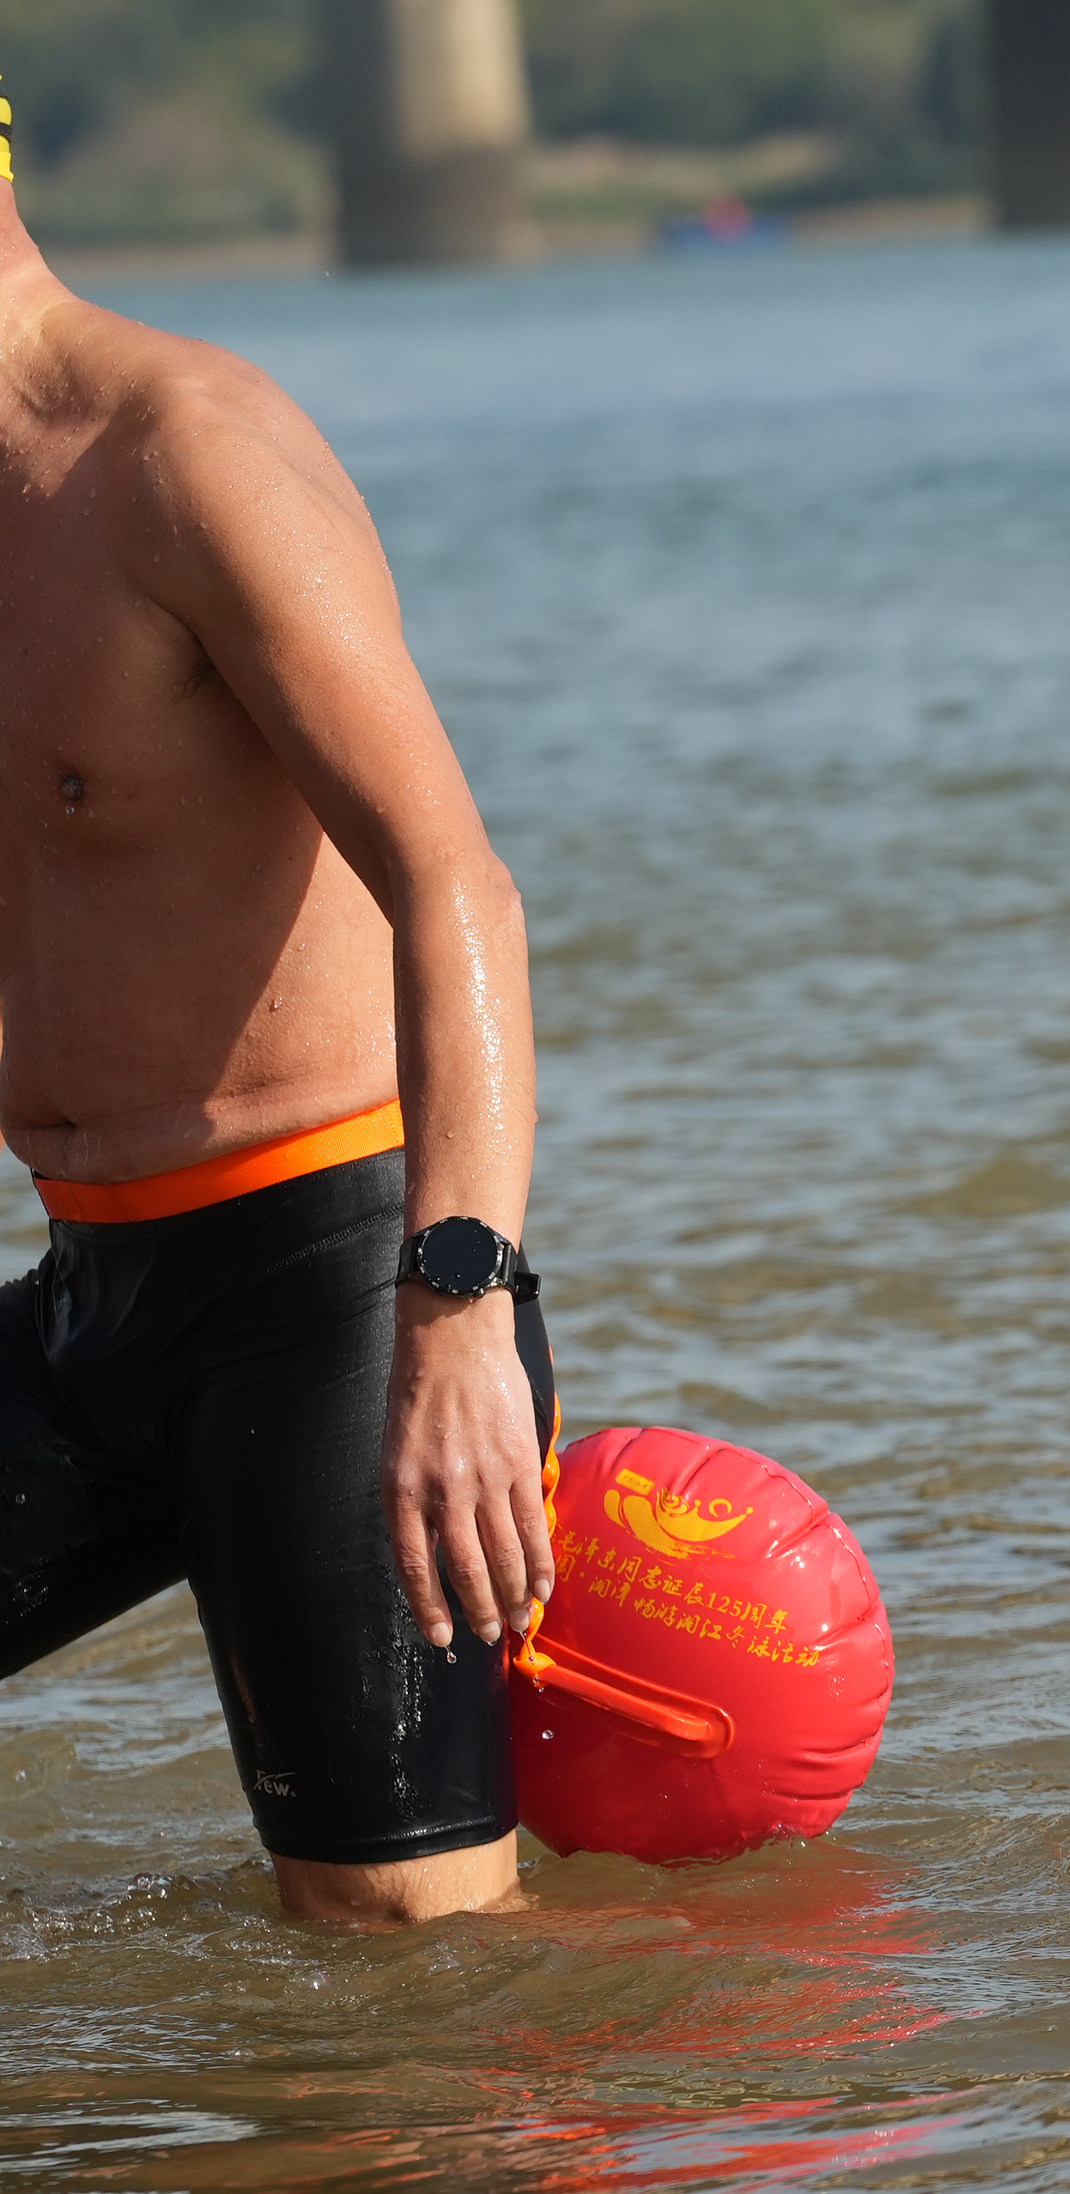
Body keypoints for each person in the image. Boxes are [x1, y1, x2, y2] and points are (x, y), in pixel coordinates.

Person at [0, 144, 555, 1927]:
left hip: (337, 1300)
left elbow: (457, 888)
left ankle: (722, 2032)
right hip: (88, 1296)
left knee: (403, 1959)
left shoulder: (183, 458)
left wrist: (458, 1313)